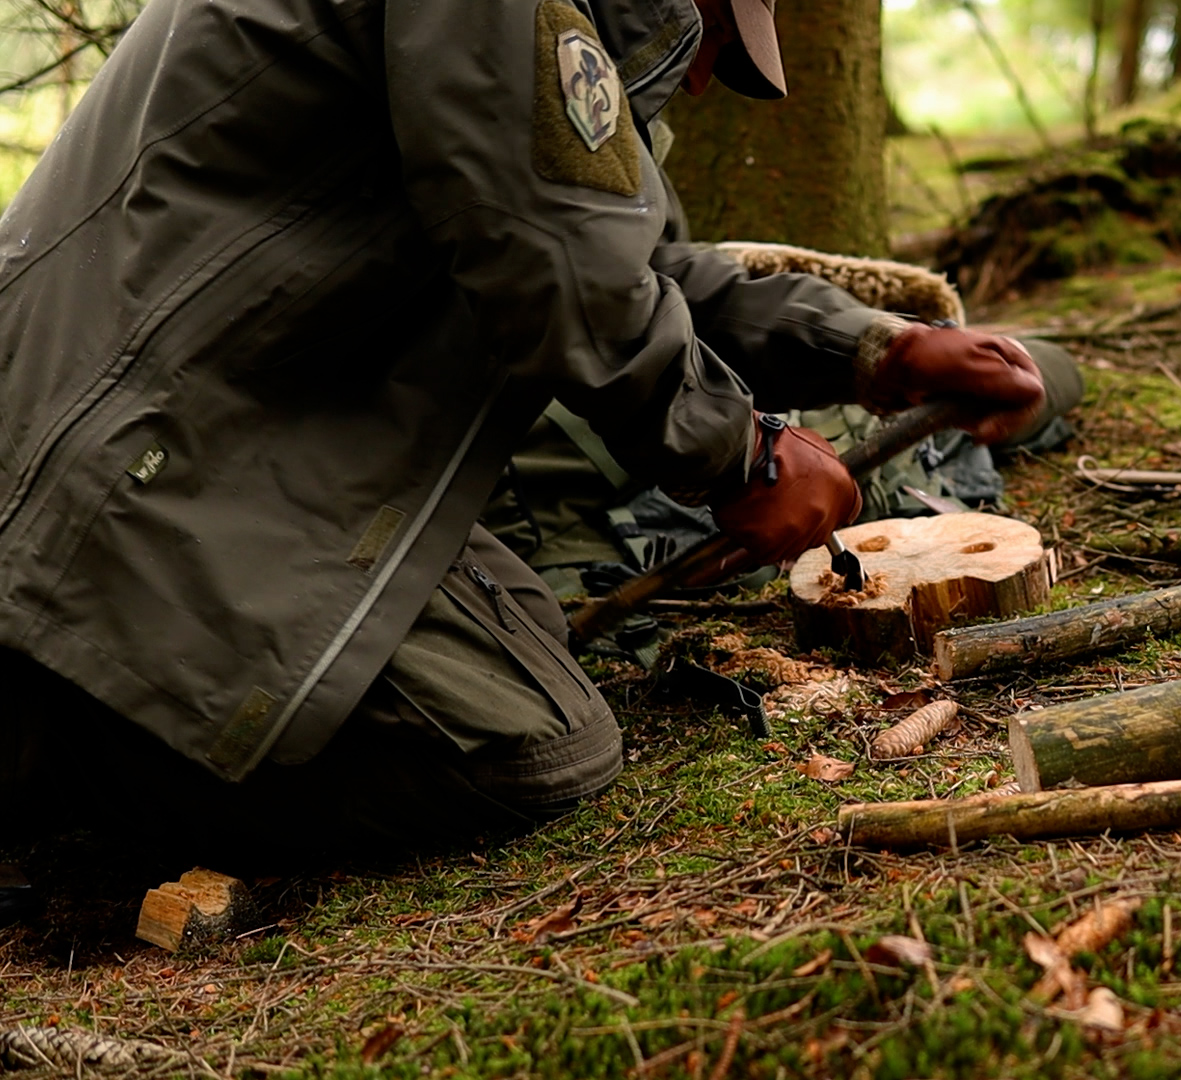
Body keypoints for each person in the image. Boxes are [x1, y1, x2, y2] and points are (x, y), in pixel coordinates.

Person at [0, 0, 1045, 893]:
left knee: (521, 637)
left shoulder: (553, 49)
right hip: (135, 447)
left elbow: (639, 266)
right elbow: (554, 263)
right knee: (532, 749)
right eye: (721, 37)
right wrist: (746, 459)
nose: (703, 80)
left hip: (221, 421)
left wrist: (879, 350)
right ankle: (63, 738)